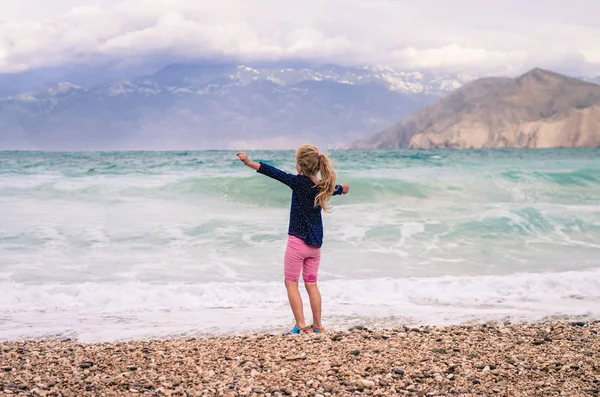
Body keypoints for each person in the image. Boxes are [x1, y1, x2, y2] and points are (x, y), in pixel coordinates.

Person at [236, 145, 350, 334]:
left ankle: (302, 326)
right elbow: (343, 188)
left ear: (299, 166)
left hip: (297, 243)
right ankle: (318, 326)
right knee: (311, 284)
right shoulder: (323, 186)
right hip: (315, 246)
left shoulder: (297, 182)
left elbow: (272, 172)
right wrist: (343, 188)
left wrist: (248, 162)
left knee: (291, 283)